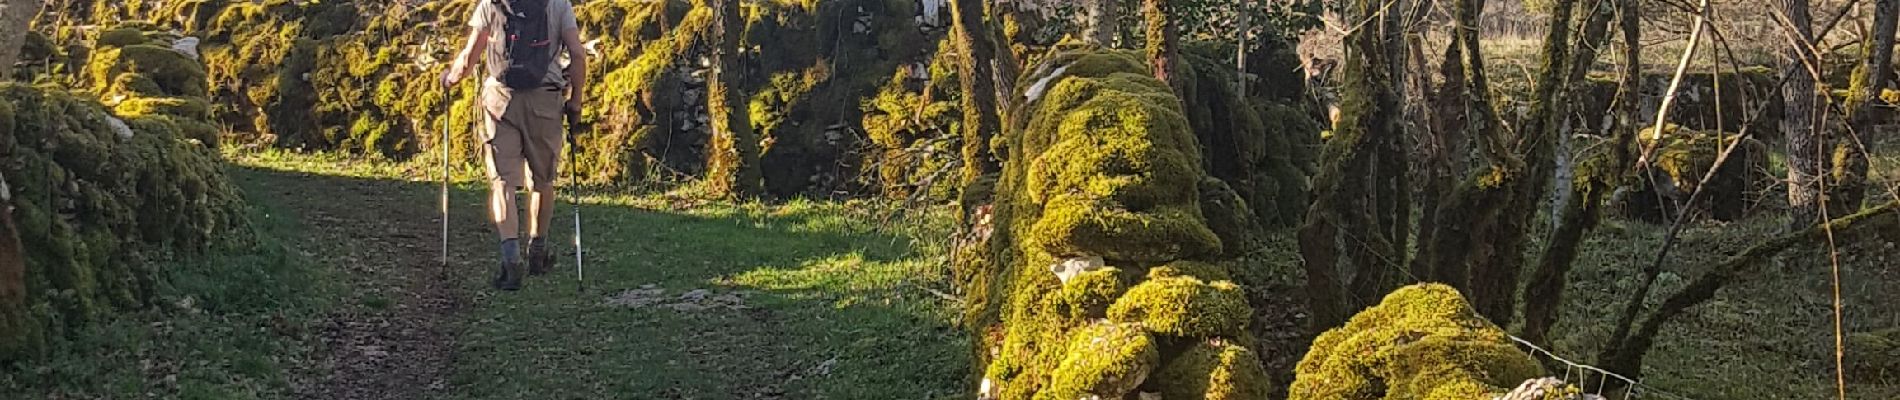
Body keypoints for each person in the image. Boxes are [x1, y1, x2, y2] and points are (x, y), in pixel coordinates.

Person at [442, 0, 587, 291]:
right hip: (545, 101)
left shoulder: (491, 4)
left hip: (500, 101)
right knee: (543, 180)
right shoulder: (558, 4)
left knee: (503, 182)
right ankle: (538, 250)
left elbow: (471, 55)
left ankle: (511, 261)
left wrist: (450, 78)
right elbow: (578, 55)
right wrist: (576, 101)